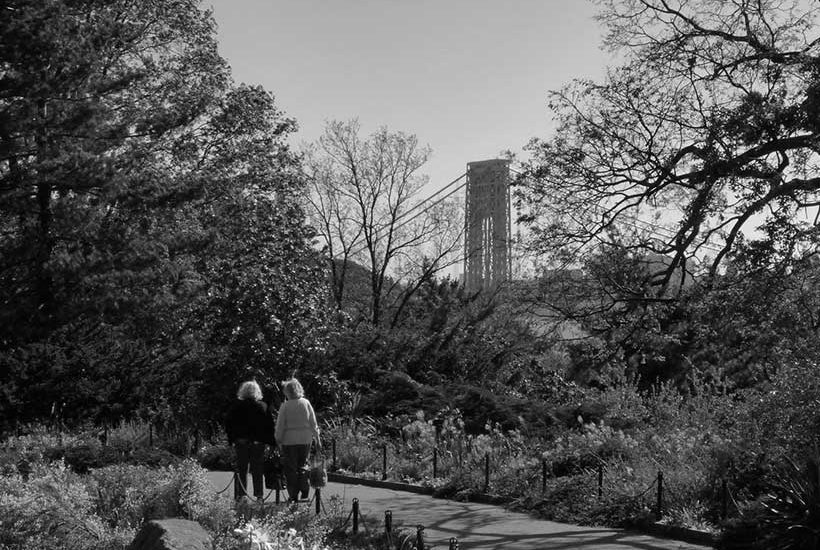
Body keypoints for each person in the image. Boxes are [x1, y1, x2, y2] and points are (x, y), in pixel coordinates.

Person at [225, 380, 274, 502]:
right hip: (258, 443)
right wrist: (271, 442)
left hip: (241, 441)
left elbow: (229, 423)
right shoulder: (263, 406)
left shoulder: (236, 406)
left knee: (242, 469)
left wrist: (231, 440)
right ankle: (259, 496)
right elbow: (269, 425)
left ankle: (242, 495)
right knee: (257, 469)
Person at [275, 378, 321, 502]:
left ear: (287, 392)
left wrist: (278, 440)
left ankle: (293, 494)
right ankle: (305, 489)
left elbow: (280, 425)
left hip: (289, 440)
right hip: (305, 438)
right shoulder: (306, 403)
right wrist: (317, 438)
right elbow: (313, 422)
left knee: (291, 468)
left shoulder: (285, 406)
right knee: (303, 465)